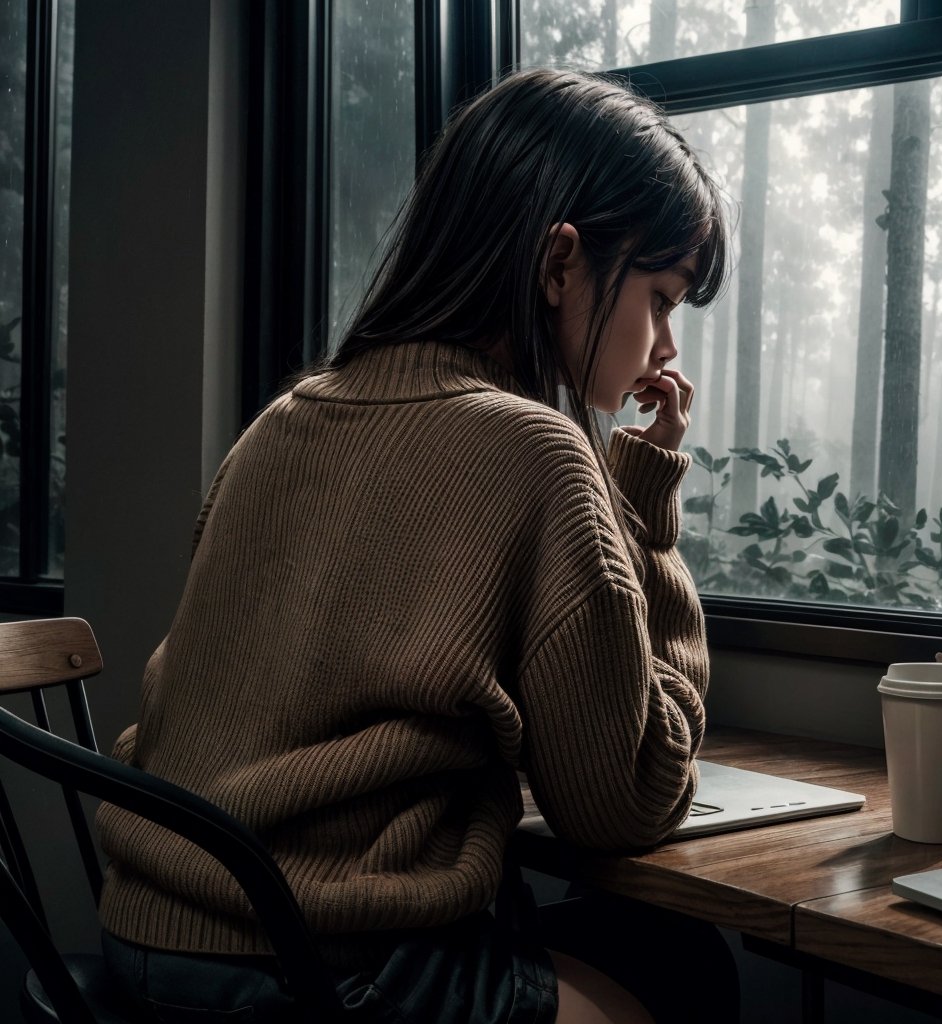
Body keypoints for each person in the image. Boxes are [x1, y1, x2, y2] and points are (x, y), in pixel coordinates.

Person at [95, 67, 735, 1023]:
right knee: (688, 973)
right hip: (317, 968)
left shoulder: (283, 421)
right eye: (662, 295)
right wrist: (641, 504)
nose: (667, 347)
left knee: (610, 937)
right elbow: (629, 799)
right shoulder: (536, 449)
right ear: (560, 266)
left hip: (144, 938)